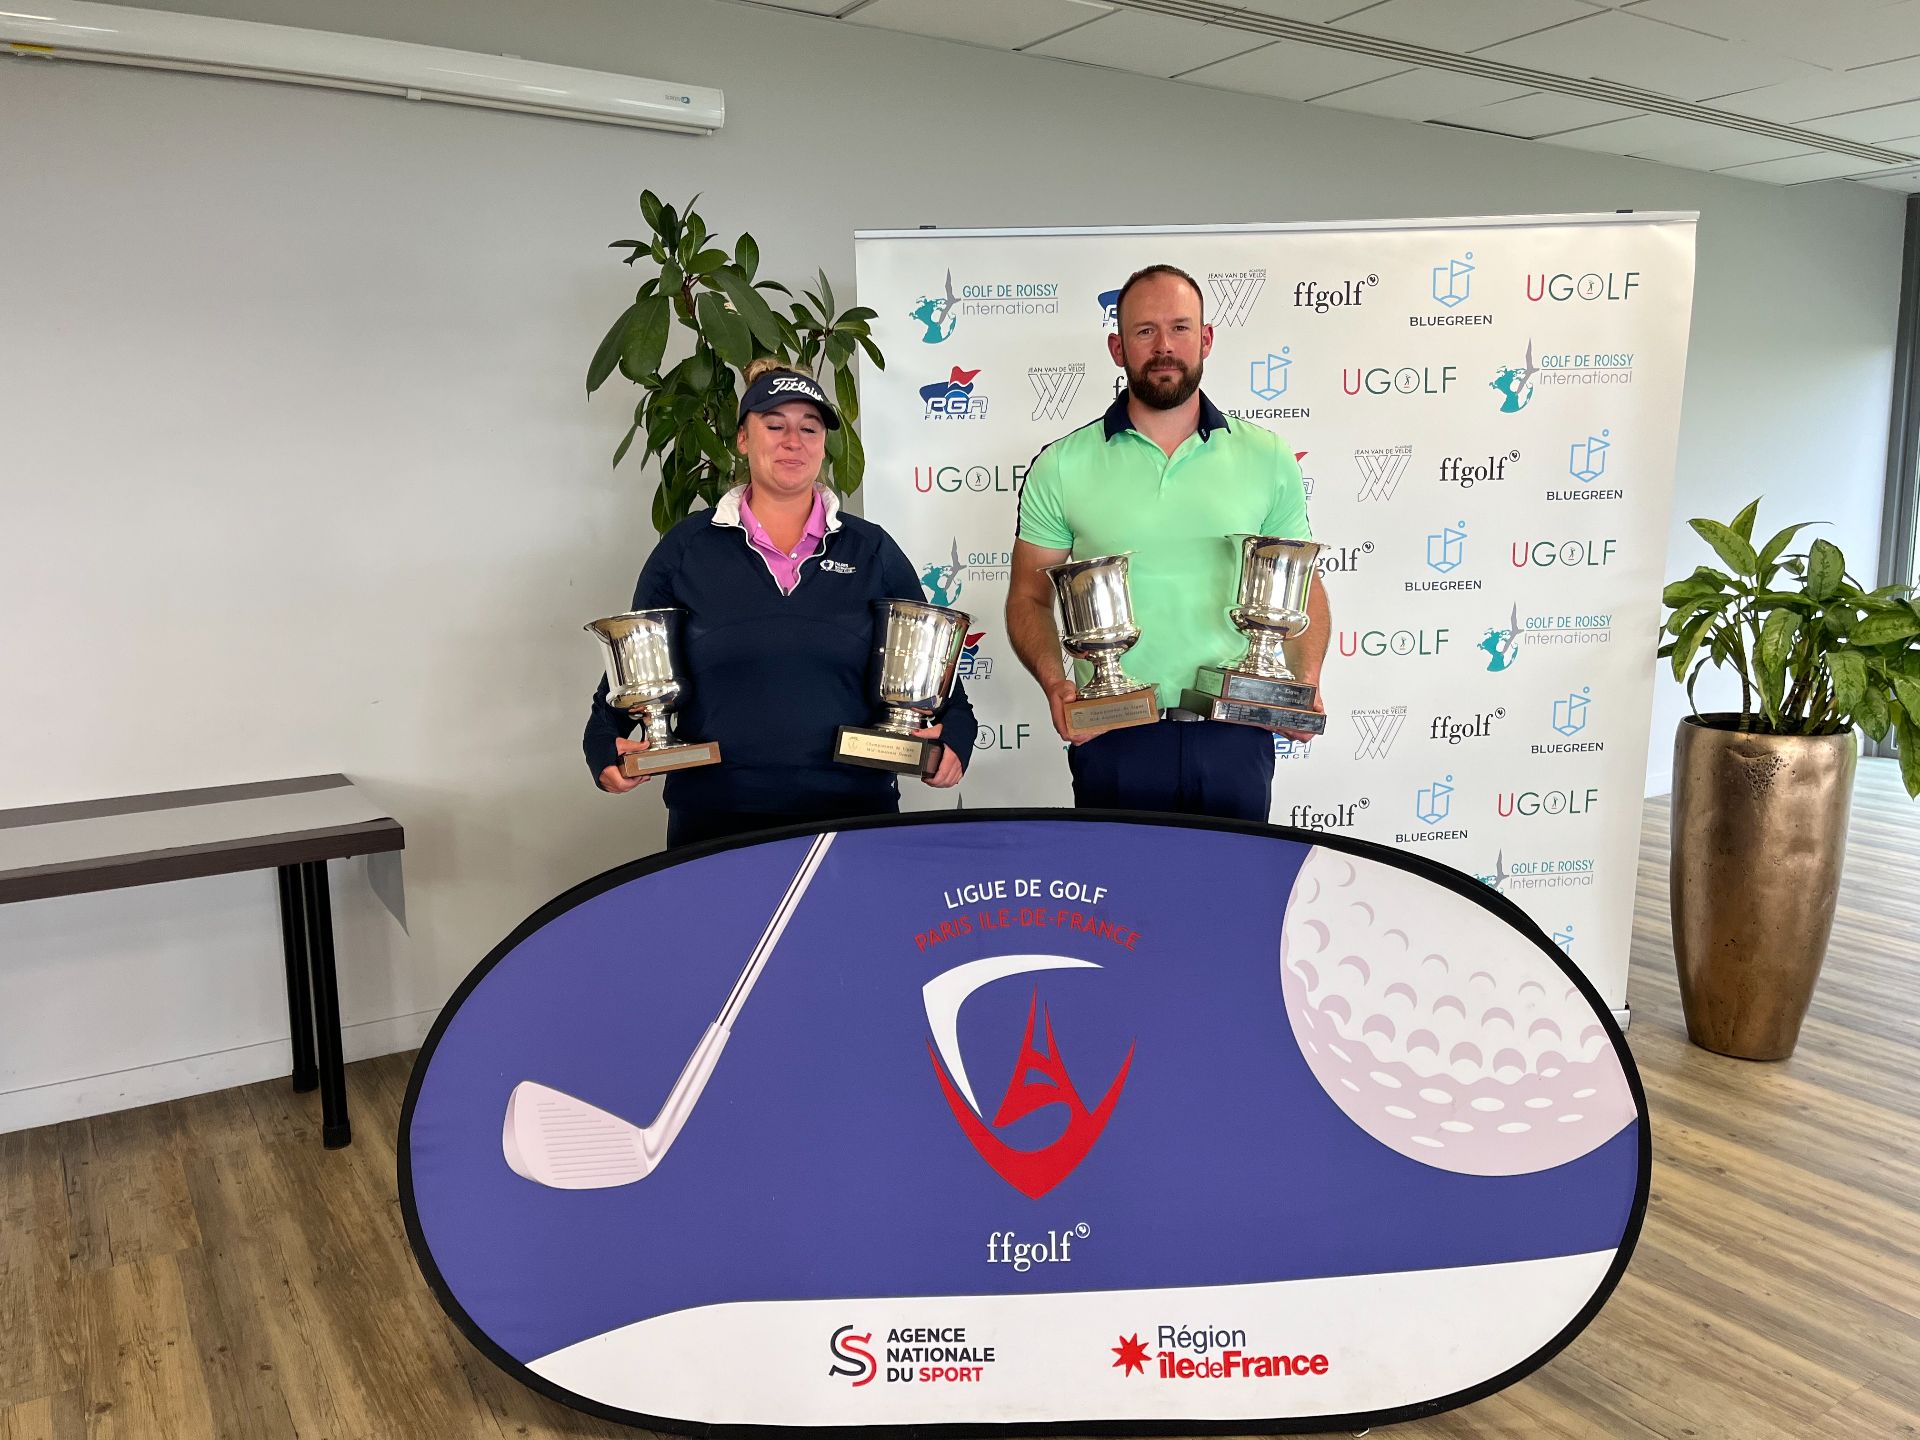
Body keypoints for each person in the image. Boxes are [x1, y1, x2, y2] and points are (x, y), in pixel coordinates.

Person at [585, 359, 973, 848]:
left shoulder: (871, 549)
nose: (794, 441)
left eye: (809, 428)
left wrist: (956, 737)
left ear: (824, 444)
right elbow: (634, 670)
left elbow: (934, 671)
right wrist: (603, 745)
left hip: (854, 819)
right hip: (714, 821)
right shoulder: (685, 550)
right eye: (775, 426)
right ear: (742, 439)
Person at [1005, 263, 1328, 822]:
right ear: (1117, 348)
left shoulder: (1268, 456)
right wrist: (1057, 684)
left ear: (1206, 339)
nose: (1164, 346)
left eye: (1180, 328)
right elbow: (1028, 596)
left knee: (1231, 879)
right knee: (1117, 882)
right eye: (1144, 331)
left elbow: (1301, 585)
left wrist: (1303, 683)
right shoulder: (1061, 465)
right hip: (1114, 735)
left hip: (1236, 733)